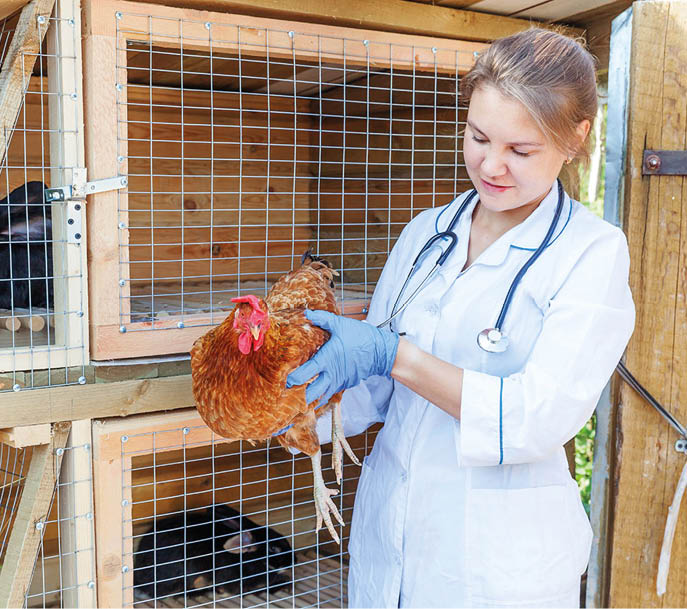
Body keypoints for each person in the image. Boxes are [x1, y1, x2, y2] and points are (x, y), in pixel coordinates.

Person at [286, 28, 635, 608]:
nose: (491, 166)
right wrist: (288, 404)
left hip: (497, 567)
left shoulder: (591, 253)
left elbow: (535, 418)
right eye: (478, 137)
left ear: (575, 138)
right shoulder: (427, 234)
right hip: (389, 541)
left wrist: (393, 354)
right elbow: (373, 394)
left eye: (520, 151)